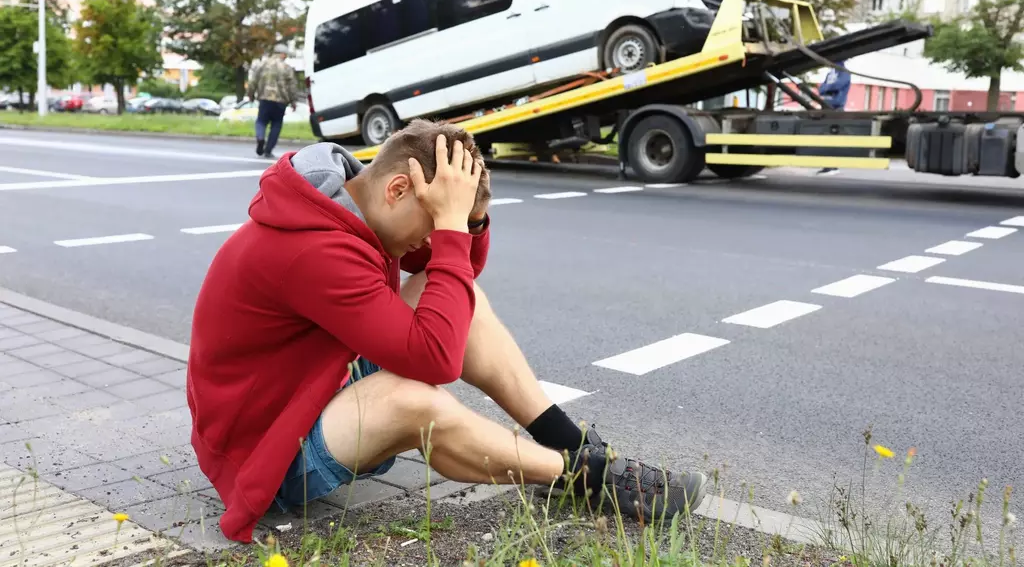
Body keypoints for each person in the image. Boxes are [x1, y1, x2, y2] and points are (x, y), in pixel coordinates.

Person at [186, 119, 708, 543]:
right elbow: (436, 360)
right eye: (434, 220)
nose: (437, 236)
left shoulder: (351, 205)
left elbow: (460, 280)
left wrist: (470, 218)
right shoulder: (314, 249)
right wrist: (452, 229)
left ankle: (573, 445)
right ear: (397, 189)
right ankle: (587, 480)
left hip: (311, 391)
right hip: (271, 453)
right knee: (412, 398)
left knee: (462, 299)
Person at [247, 44, 299, 159]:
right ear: (282, 54)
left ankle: (260, 138)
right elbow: (292, 86)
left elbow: (253, 81)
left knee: (261, 121)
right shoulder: (286, 68)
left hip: (265, 99)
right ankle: (268, 150)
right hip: (281, 101)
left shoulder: (262, 65)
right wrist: (294, 101)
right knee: (276, 124)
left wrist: (250, 95)